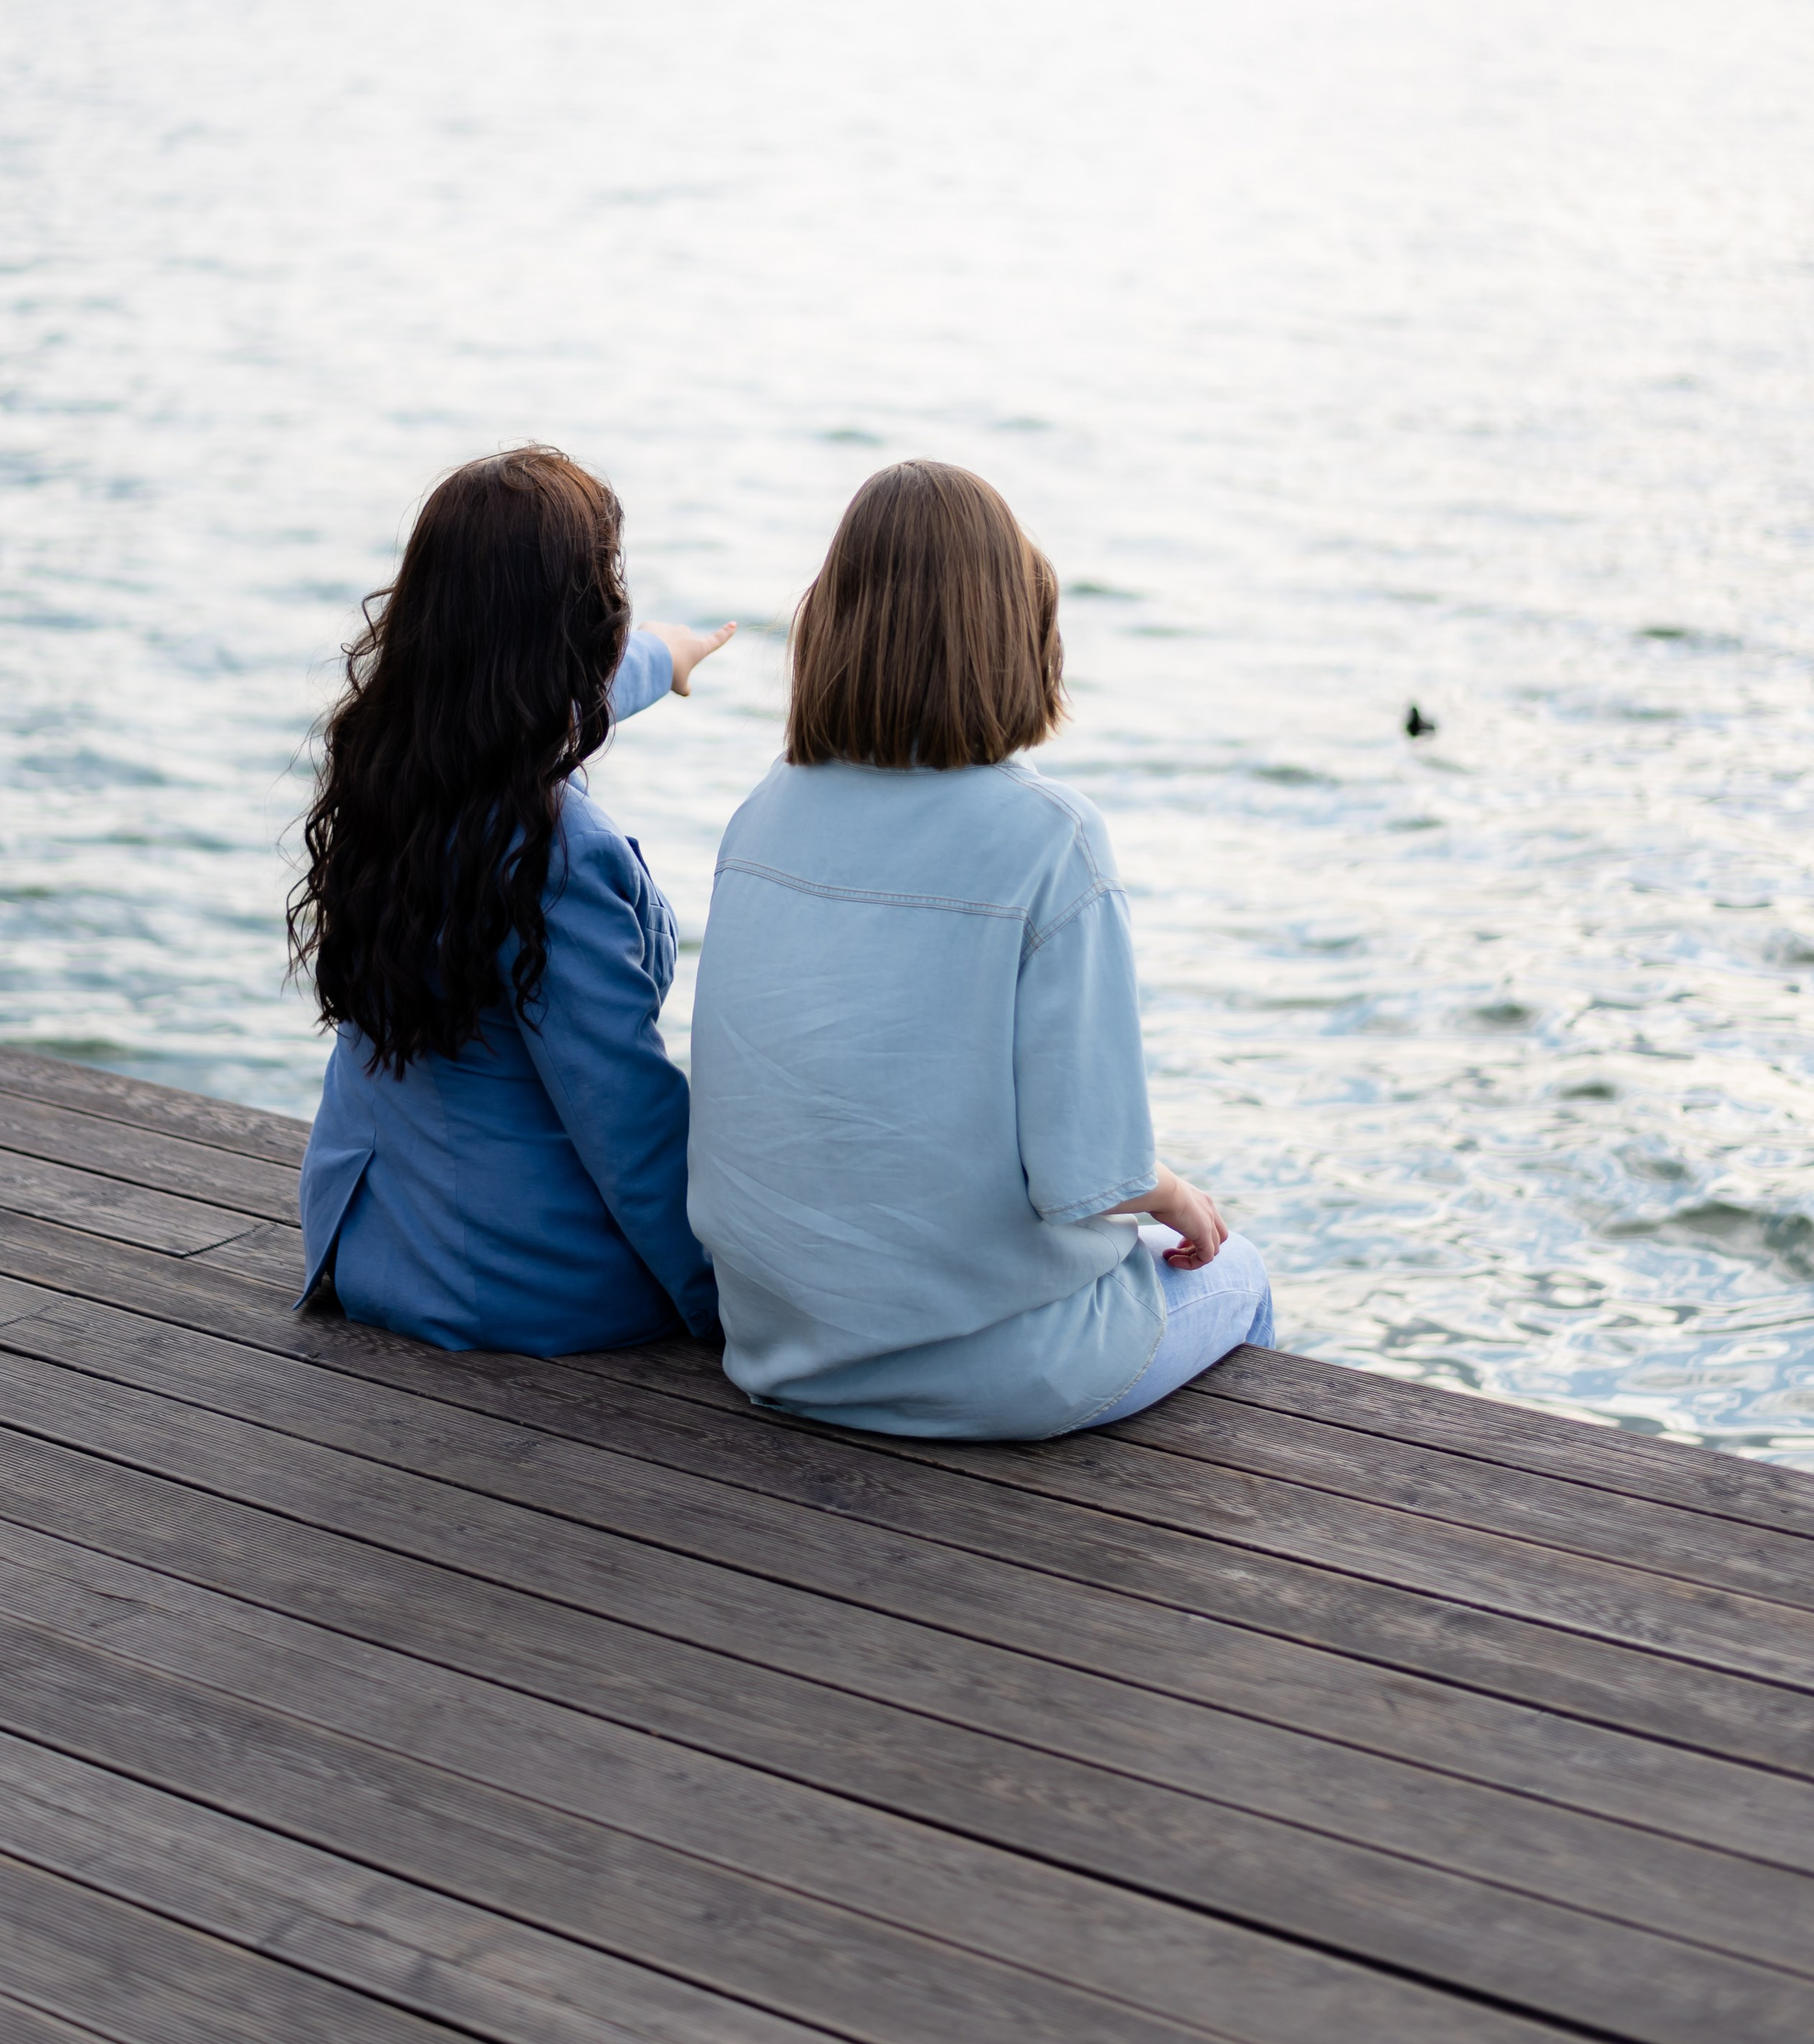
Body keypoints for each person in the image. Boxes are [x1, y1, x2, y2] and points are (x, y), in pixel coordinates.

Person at [687, 460, 1273, 1438]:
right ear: (1013, 631)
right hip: (999, 1372)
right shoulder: (1052, 840)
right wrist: (1182, 1198)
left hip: (781, 1349)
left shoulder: (760, 815)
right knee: (1238, 1276)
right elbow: (1094, 1170)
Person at [289, 445, 731, 1354]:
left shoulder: (391, 766)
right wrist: (726, 1307)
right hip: (520, 1283)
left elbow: (544, 706)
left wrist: (667, 657)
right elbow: (625, 1121)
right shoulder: (562, 856)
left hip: (365, 1237)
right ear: (574, 629)